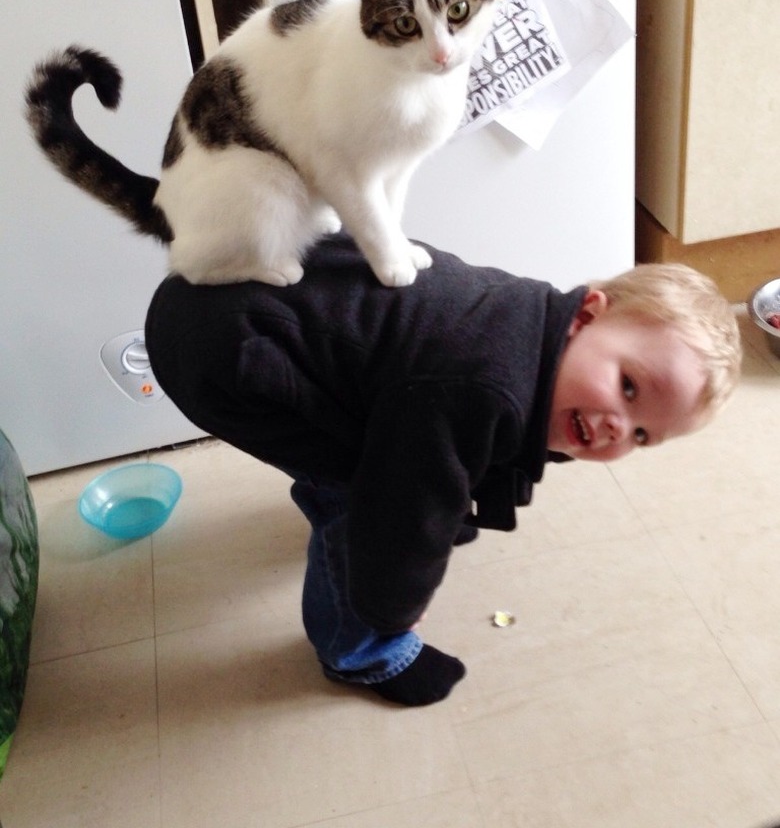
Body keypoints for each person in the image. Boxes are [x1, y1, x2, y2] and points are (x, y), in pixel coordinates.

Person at [144, 235, 741, 707]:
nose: (618, 427)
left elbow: (477, 438)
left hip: (251, 288)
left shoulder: (531, 323)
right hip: (221, 349)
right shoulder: (480, 390)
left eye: (642, 435)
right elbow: (403, 512)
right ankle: (359, 653)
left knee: (416, 443)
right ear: (586, 315)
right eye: (629, 386)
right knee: (358, 496)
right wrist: (393, 602)